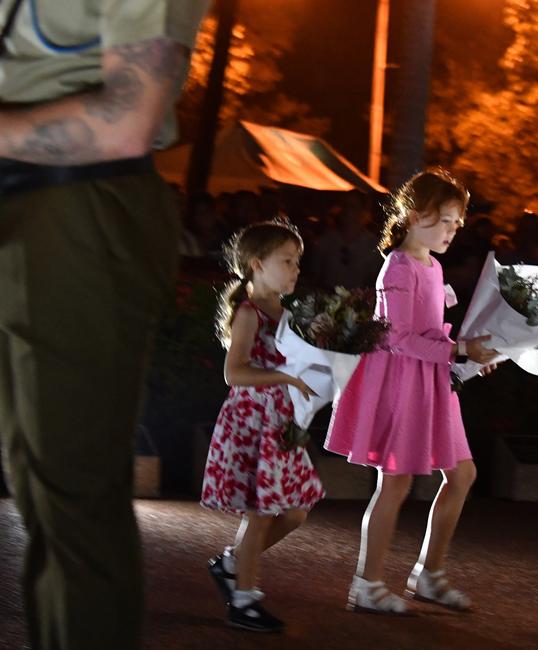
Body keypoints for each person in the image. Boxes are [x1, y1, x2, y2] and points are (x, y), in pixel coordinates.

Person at [0, 2, 207, 649]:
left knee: (72, 500)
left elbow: (128, 119)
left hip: (77, 203)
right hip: (35, 202)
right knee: (36, 485)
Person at [325, 168, 498, 615]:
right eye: (445, 220)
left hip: (432, 382)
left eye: (457, 224)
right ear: (413, 214)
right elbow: (398, 339)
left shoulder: (433, 265)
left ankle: (429, 574)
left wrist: (470, 354)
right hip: (402, 383)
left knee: (462, 475)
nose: (452, 231)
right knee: (395, 483)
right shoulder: (397, 267)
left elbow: (429, 332)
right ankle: (368, 582)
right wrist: (461, 349)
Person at [201, 220, 324, 632]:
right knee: (260, 515)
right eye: (286, 261)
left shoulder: (286, 313)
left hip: (281, 425)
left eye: (297, 262)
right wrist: (285, 378)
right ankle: (244, 600)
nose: (295, 269)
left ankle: (233, 564)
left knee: (295, 512)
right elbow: (234, 373)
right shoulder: (249, 313)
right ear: (257, 265)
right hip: (253, 423)